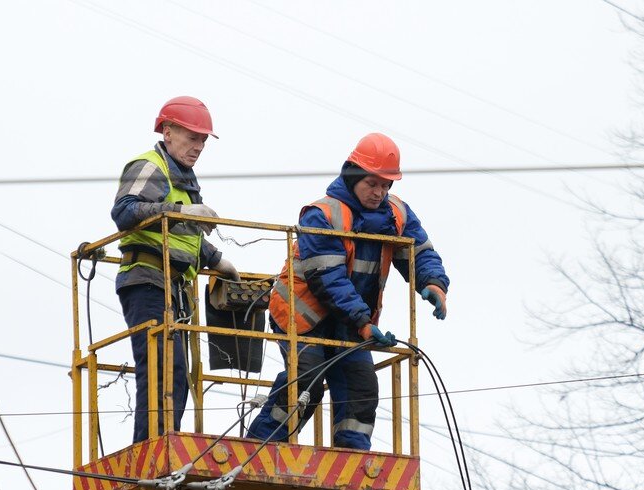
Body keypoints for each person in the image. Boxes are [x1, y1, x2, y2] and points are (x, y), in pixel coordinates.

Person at [247, 133, 449, 451]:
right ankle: (260, 447)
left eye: (386, 185)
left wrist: (433, 282)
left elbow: (419, 251)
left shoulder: (396, 214)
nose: (379, 192)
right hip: (303, 315)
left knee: (361, 386)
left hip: (351, 322)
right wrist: (364, 323)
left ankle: (352, 456)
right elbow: (329, 279)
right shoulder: (323, 215)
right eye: (372, 183)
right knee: (306, 381)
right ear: (354, 175)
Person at [111, 96, 238, 443]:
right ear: (167, 132)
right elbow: (124, 213)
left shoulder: (185, 180)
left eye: (202, 140)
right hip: (146, 280)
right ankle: (151, 452)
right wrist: (181, 213)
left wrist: (216, 261)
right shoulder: (151, 166)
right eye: (191, 137)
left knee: (176, 374)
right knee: (163, 370)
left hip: (173, 287)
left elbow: (183, 239)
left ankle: (164, 445)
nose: (198, 146)